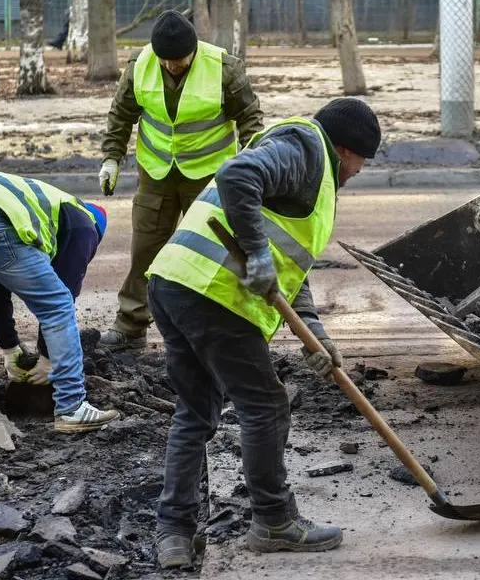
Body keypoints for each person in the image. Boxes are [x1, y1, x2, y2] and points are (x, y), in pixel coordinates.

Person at [146, 97, 380, 568]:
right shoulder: (305, 148)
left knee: (195, 412)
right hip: (214, 296)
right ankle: (274, 521)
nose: (357, 173)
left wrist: (315, 335)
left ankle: (173, 532)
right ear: (345, 150)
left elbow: (290, 268)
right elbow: (236, 177)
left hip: (173, 282)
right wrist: (254, 255)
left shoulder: (306, 171)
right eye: (360, 163)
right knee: (265, 407)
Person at [97, 9, 264, 351]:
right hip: (156, 174)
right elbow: (121, 114)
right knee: (145, 249)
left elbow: (250, 118)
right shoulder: (139, 66)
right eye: (166, 61)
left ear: (194, 49)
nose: (173, 66)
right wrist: (112, 158)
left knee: (209, 256)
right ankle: (131, 325)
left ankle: (212, 329)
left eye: (180, 60)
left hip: (210, 178)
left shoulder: (223, 69)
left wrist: (257, 165)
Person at [0, 171, 120, 433]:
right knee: (58, 304)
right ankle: (71, 406)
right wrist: (47, 358)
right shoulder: (85, 227)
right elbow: (62, 294)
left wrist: (10, 349)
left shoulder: (48, 210)